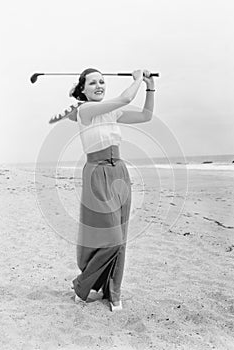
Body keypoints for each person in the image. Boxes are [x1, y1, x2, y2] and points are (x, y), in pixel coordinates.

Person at [70, 67, 155, 311]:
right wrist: (138, 77)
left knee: (121, 235)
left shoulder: (112, 112)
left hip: (119, 171)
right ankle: (83, 284)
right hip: (97, 172)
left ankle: (113, 291)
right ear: (83, 89)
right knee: (112, 237)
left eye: (102, 82)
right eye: (93, 83)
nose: (99, 86)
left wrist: (150, 86)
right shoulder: (84, 110)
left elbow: (146, 115)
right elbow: (127, 97)